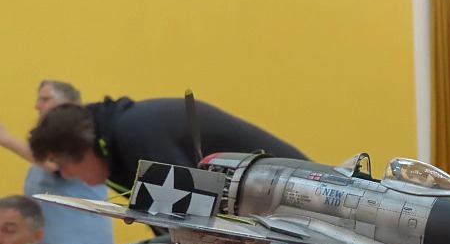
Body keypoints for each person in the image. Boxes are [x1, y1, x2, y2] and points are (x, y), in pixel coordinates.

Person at [28, 96, 308, 193]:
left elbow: (188, 216)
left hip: (301, 189)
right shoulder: (119, 142)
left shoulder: (134, 133)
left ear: (83, 148)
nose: (65, 174)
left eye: (64, 164)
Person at [0, 81, 114, 244]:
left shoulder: (77, 139)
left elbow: (52, 164)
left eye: (45, 99)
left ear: (68, 105)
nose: (37, 106)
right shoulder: (42, 157)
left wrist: (4, 139)